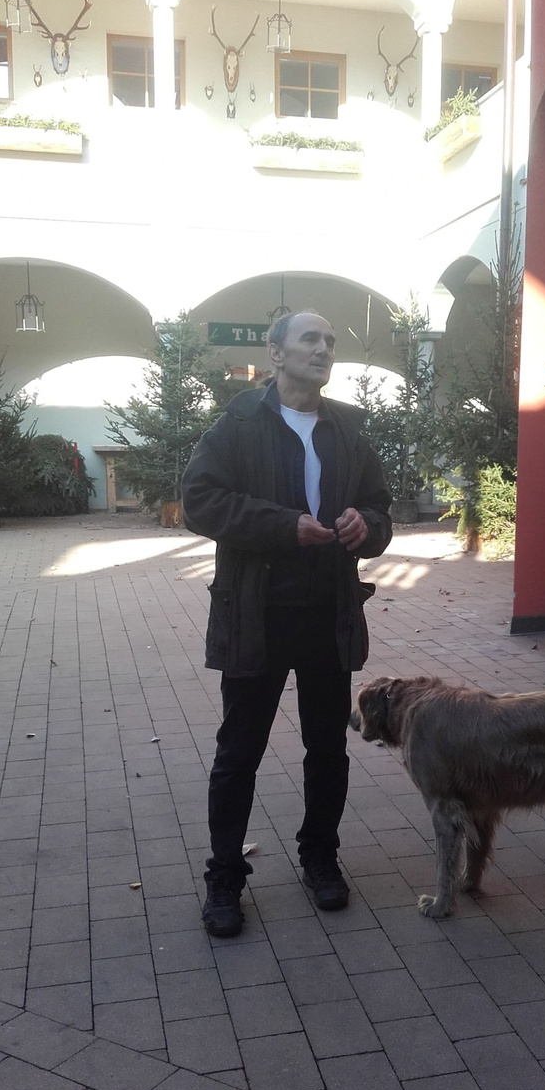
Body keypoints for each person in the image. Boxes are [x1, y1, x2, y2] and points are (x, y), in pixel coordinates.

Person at [182, 311, 393, 937]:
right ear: (275, 353)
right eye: (310, 339)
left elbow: (380, 510)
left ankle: (320, 856)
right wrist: (282, 526)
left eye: (330, 341)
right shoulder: (239, 423)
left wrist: (365, 526)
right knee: (238, 751)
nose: (324, 349)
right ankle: (225, 875)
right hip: (257, 615)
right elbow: (200, 500)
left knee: (327, 748)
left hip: (329, 613)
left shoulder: (347, 429)